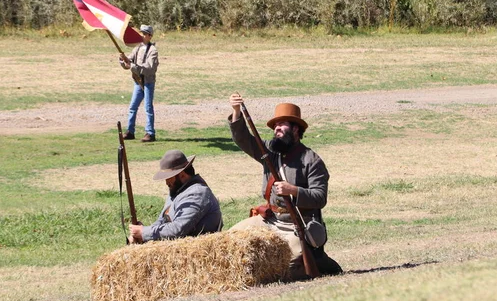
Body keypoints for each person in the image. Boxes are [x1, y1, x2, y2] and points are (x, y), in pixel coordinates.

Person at [227, 93, 343, 280]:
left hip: (297, 225)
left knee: (287, 267)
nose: (276, 129)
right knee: (231, 239)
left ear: (295, 129)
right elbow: (243, 139)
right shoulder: (270, 153)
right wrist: (236, 111)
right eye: (275, 126)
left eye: (282, 125)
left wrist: (294, 191)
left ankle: (320, 262)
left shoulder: (311, 160)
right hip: (270, 220)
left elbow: (320, 197)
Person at [128, 149, 223, 244]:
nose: (166, 183)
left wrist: (144, 232)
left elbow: (178, 229)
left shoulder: (197, 193)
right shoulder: (177, 191)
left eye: (169, 177)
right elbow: (162, 220)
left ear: (182, 175)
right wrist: (143, 233)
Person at [119, 24, 159, 142]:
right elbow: (129, 63)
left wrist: (132, 66)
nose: (141, 35)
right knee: (132, 107)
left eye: (144, 34)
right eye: (141, 33)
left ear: (149, 36)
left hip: (148, 83)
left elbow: (149, 68)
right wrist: (122, 60)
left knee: (148, 108)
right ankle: (130, 131)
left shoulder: (153, 51)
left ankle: (150, 133)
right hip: (138, 82)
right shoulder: (137, 48)